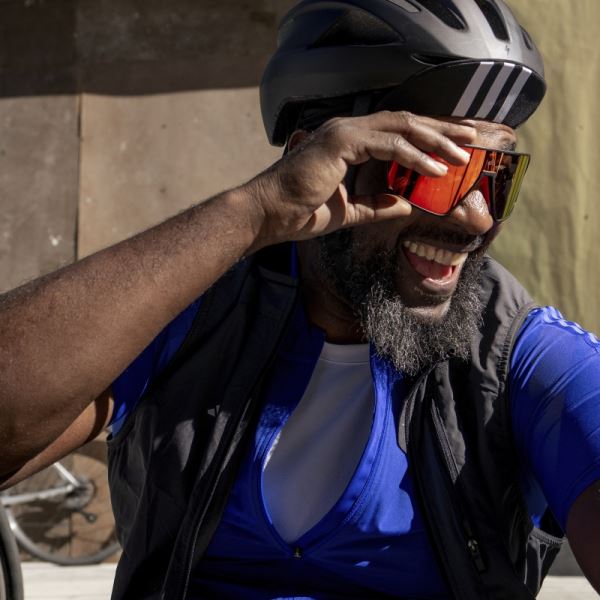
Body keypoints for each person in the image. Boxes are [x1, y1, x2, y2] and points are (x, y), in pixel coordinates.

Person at [0, 0, 599, 598]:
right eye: (438, 167)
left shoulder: (516, 355)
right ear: (321, 156)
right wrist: (254, 211)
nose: (477, 217)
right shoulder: (196, 317)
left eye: (497, 176)